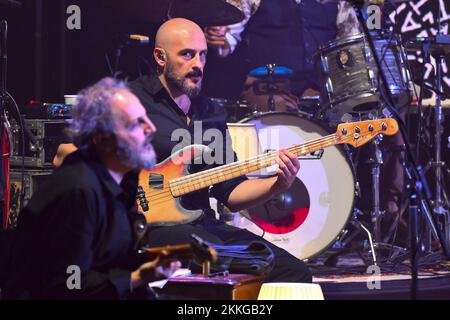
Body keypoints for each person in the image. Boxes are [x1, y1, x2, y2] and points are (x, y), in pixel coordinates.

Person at [128, 18, 312, 283]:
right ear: (160, 57)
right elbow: (70, 154)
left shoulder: (210, 113)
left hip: (201, 225)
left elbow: (231, 191)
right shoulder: (131, 101)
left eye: (202, 55)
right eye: (187, 55)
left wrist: (279, 183)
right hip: (149, 227)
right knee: (222, 261)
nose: (197, 65)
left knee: (293, 272)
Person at [2, 78, 180, 299]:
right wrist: (137, 278)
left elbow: (109, 261)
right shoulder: (77, 192)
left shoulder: (123, 180)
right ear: (103, 140)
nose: (151, 128)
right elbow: (70, 282)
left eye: (147, 117)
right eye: (136, 123)